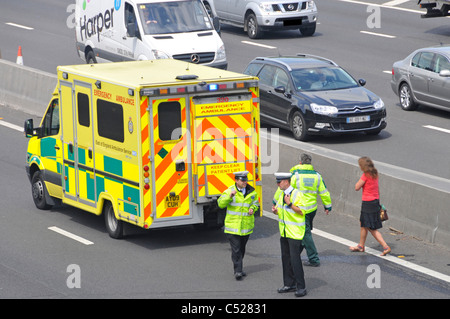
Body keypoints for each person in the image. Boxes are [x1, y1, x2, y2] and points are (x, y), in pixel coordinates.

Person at [290, 153, 331, 267]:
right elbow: (324, 192)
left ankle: (313, 259)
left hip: (300, 209)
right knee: (305, 231)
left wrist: (276, 202)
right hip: (312, 209)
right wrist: (327, 206)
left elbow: (285, 190)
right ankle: (295, 254)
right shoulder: (317, 176)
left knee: (305, 234)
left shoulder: (295, 175)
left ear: (300, 162)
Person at [217, 171, 259, 280]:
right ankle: (238, 271)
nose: (245, 182)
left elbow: (256, 204)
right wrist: (229, 197)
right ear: (236, 180)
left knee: (242, 249)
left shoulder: (252, 192)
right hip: (233, 226)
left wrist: (252, 209)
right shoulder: (230, 191)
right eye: (242, 180)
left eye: (246, 180)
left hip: (246, 227)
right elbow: (220, 204)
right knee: (236, 249)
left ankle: (239, 267)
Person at [272, 173, 307, 297]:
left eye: (279, 182)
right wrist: (276, 211)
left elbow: (302, 211)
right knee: (285, 259)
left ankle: (301, 287)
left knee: (295, 260)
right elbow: (281, 211)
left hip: (295, 233)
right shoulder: (281, 194)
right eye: (277, 182)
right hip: (285, 232)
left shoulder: (298, 194)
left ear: (287, 181)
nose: (277, 184)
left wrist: (289, 204)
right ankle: (289, 284)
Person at [350, 157, 391, 256]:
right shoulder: (375, 174)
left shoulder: (365, 175)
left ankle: (385, 246)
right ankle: (361, 246)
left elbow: (356, 187)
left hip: (367, 204)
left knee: (371, 227)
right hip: (375, 201)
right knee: (363, 224)